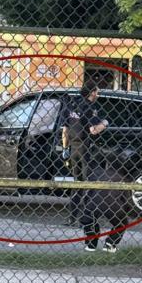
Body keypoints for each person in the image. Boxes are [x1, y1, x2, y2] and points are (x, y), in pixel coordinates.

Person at [61, 80, 109, 240]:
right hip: (86, 150)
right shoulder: (90, 107)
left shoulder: (72, 106)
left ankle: (71, 218)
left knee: (77, 184)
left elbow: (65, 131)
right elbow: (93, 131)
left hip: (73, 149)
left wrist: (65, 149)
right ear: (91, 92)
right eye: (97, 91)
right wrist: (105, 123)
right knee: (89, 184)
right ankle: (86, 219)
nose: (98, 94)